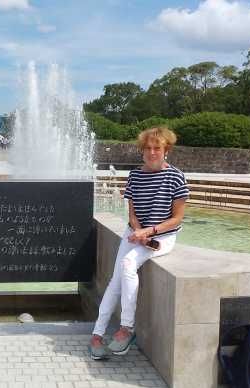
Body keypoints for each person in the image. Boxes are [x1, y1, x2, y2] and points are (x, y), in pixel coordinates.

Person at [89, 127, 189, 360]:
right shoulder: (135, 175)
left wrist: (149, 231)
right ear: (142, 150)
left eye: (157, 148)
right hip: (135, 233)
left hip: (162, 237)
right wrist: (137, 230)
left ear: (166, 150)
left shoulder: (176, 176)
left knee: (127, 263)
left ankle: (126, 328)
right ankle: (97, 334)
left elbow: (177, 218)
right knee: (115, 281)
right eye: (148, 148)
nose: (152, 152)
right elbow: (132, 213)